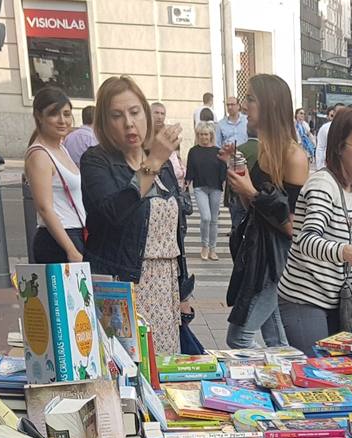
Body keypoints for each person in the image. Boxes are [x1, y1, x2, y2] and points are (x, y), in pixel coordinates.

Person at [80, 76, 191, 357]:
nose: (129, 123)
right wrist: (152, 161)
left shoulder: (162, 163)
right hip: (122, 284)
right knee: (125, 372)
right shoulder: (97, 160)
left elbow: (176, 230)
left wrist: (183, 291)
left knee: (164, 371)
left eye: (134, 112)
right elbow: (111, 213)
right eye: (117, 116)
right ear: (104, 123)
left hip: (165, 287)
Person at [277, 108, 352, 352]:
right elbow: (306, 239)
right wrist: (346, 252)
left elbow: (346, 232)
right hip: (305, 298)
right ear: (340, 147)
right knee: (317, 371)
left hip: (337, 299)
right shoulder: (322, 185)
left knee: (337, 372)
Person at [223, 74, 310, 349]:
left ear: (270, 104)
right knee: (276, 340)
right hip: (259, 254)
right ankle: (286, 386)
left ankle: (268, 383)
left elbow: (294, 228)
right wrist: (243, 183)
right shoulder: (265, 151)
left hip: (278, 261)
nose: (244, 107)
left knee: (239, 338)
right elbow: (258, 211)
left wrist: (250, 191)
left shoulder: (293, 156)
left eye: (250, 99)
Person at [24, 86, 85, 264]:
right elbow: (44, 208)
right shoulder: (39, 155)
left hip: (75, 233)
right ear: (39, 116)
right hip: (59, 240)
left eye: (66, 114)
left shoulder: (61, 148)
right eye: (53, 114)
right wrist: (71, 250)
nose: (62, 120)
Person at [186, 122, 226, 260]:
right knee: (206, 217)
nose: (204, 137)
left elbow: (223, 170)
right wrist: (186, 183)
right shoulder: (193, 151)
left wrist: (226, 187)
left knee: (214, 220)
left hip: (216, 187)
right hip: (199, 187)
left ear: (211, 136)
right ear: (198, 136)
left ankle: (213, 249)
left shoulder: (218, 151)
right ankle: (204, 245)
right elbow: (190, 169)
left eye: (206, 134)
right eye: (201, 134)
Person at [218, 96, 251, 232]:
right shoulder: (221, 124)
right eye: (228, 105)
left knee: (247, 192)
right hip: (230, 163)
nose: (230, 107)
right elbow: (217, 145)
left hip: (246, 160)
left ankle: (247, 224)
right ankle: (236, 226)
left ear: (238, 105)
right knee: (234, 197)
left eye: (233, 104)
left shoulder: (246, 121)